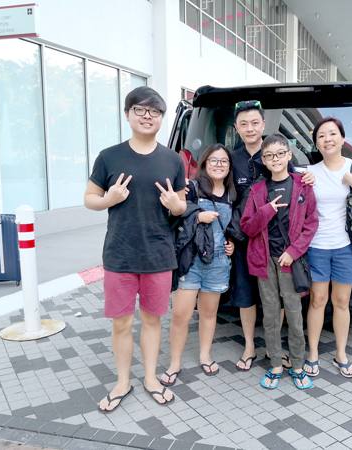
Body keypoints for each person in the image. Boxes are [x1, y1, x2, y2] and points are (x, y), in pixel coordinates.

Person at [85, 86, 186, 410]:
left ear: (161, 118)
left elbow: (182, 206)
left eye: (154, 112)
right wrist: (107, 200)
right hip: (120, 254)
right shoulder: (109, 157)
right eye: (140, 110)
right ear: (127, 114)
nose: (147, 116)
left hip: (158, 254)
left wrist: (176, 205)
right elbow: (89, 199)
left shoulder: (173, 160)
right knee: (121, 322)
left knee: (153, 320)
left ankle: (151, 378)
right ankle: (123, 381)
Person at [229, 100, 314, 371]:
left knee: (285, 304)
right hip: (250, 243)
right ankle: (257, 351)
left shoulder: (288, 170)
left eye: (255, 122)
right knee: (249, 298)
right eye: (244, 123)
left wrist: (308, 177)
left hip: (285, 251)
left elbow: (307, 213)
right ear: (236, 128)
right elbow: (216, 186)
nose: (250, 128)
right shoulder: (234, 160)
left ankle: (285, 358)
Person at [303, 117, 352, 379]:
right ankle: (312, 353)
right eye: (321, 136)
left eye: (332, 134)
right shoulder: (310, 172)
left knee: (342, 301)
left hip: (346, 245)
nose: (327, 139)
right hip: (317, 246)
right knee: (317, 300)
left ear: (343, 139)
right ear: (316, 143)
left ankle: (341, 354)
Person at [240, 134, 318, 390]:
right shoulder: (257, 190)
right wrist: (267, 210)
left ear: (288, 155)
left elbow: (311, 223)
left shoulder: (302, 185)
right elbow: (247, 227)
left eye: (279, 154)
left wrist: (293, 252)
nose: (275, 159)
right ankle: (275, 364)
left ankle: (297, 365)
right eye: (269, 155)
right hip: (264, 261)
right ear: (263, 160)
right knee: (271, 314)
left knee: (295, 314)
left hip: (290, 261)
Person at [160, 144, 236, 386]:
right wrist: (197, 216)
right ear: (204, 163)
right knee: (181, 314)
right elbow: (176, 212)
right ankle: (174, 363)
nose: (219, 165)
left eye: (224, 161)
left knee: (209, 313)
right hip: (191, 260)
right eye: (214, 160)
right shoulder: (191, 187)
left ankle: (205, 355)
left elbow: (233, 227)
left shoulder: (232, 193)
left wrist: (231, 243)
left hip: (218, 263)